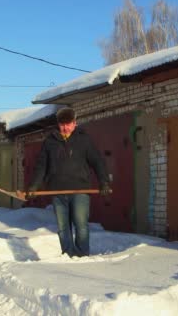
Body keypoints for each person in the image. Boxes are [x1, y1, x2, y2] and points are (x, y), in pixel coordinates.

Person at [26, 107, 111, 257]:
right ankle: (68, 255)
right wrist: (34, 185)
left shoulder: (83, 139)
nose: (65, 128)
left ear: (74, 123)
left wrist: (103, 182)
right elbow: (41, 166)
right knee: (63, 227)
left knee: (81, 225)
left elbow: (97, 161)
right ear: (58, 124)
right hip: (57, 191)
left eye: (68, 124)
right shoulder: (50, 141)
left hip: (80, 190)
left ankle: (82, 254)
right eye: (62, 124)